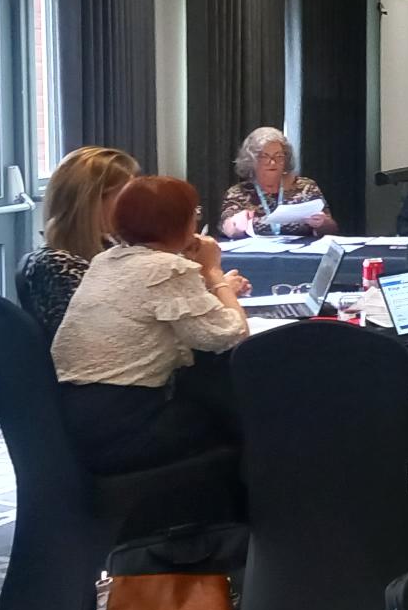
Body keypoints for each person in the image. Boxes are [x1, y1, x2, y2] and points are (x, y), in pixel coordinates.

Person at [51, 175, 252, 474]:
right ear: (180, 222)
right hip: (127, 426)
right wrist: (213, 272)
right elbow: (231, 334)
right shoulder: (166, 268)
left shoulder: (106, 260)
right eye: (194, 214)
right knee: (240, 411)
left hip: (79, 420)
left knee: (214, 393)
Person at [20, 145, 139, 337]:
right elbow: (105, 333)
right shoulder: (55, 265)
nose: (133, 206)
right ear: (92, 202)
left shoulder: (109, 246)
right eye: (125, 197)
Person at [219, 126, 337, 238]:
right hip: (256, 256)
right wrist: (236, 226)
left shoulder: (306, 187)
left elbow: (331, 229)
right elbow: (227, 229)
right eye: (265, 156)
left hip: (301, 255)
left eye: (279, 156)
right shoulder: (238, 193)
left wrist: (323, 223)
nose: (273, 162)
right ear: (251, 160)